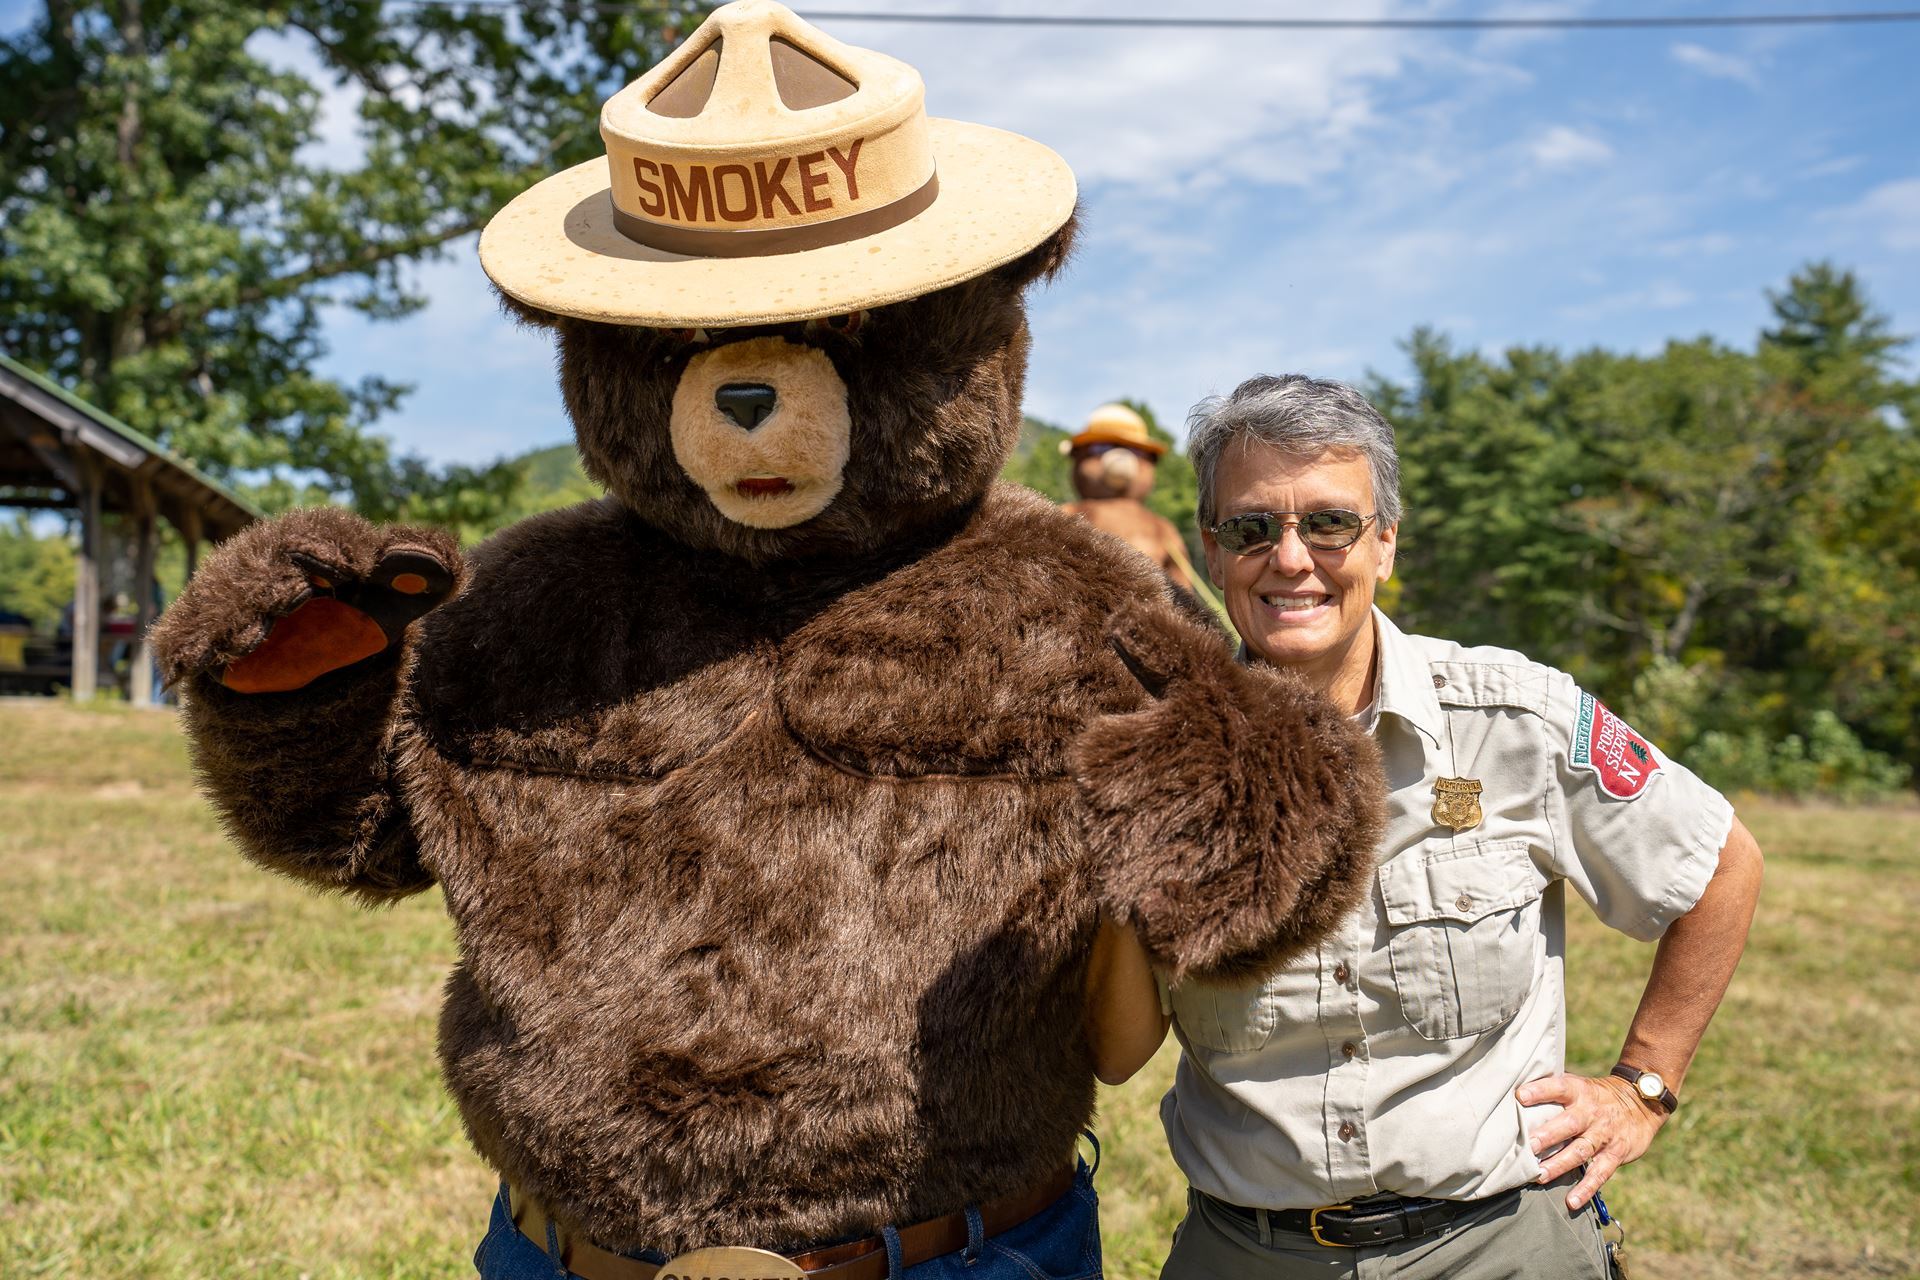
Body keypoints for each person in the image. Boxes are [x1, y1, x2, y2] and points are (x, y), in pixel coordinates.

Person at [1145, 374, 1765, 1279]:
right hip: (1246, 1252)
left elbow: (1720, 865)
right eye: (1251, 528)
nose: (1290, 558)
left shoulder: (1515, 719)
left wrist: (1643, 1086)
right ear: (1211, 549)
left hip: (1499, 1246)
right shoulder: (1150, 759)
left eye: (1329, 523)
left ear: (1385, 543)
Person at [1060, 403, 1202, 598]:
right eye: (1101, 447)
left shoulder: (1161, 530)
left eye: (1136, 451)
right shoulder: (1066, 516)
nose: (1119, 456)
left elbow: (1184, 594)